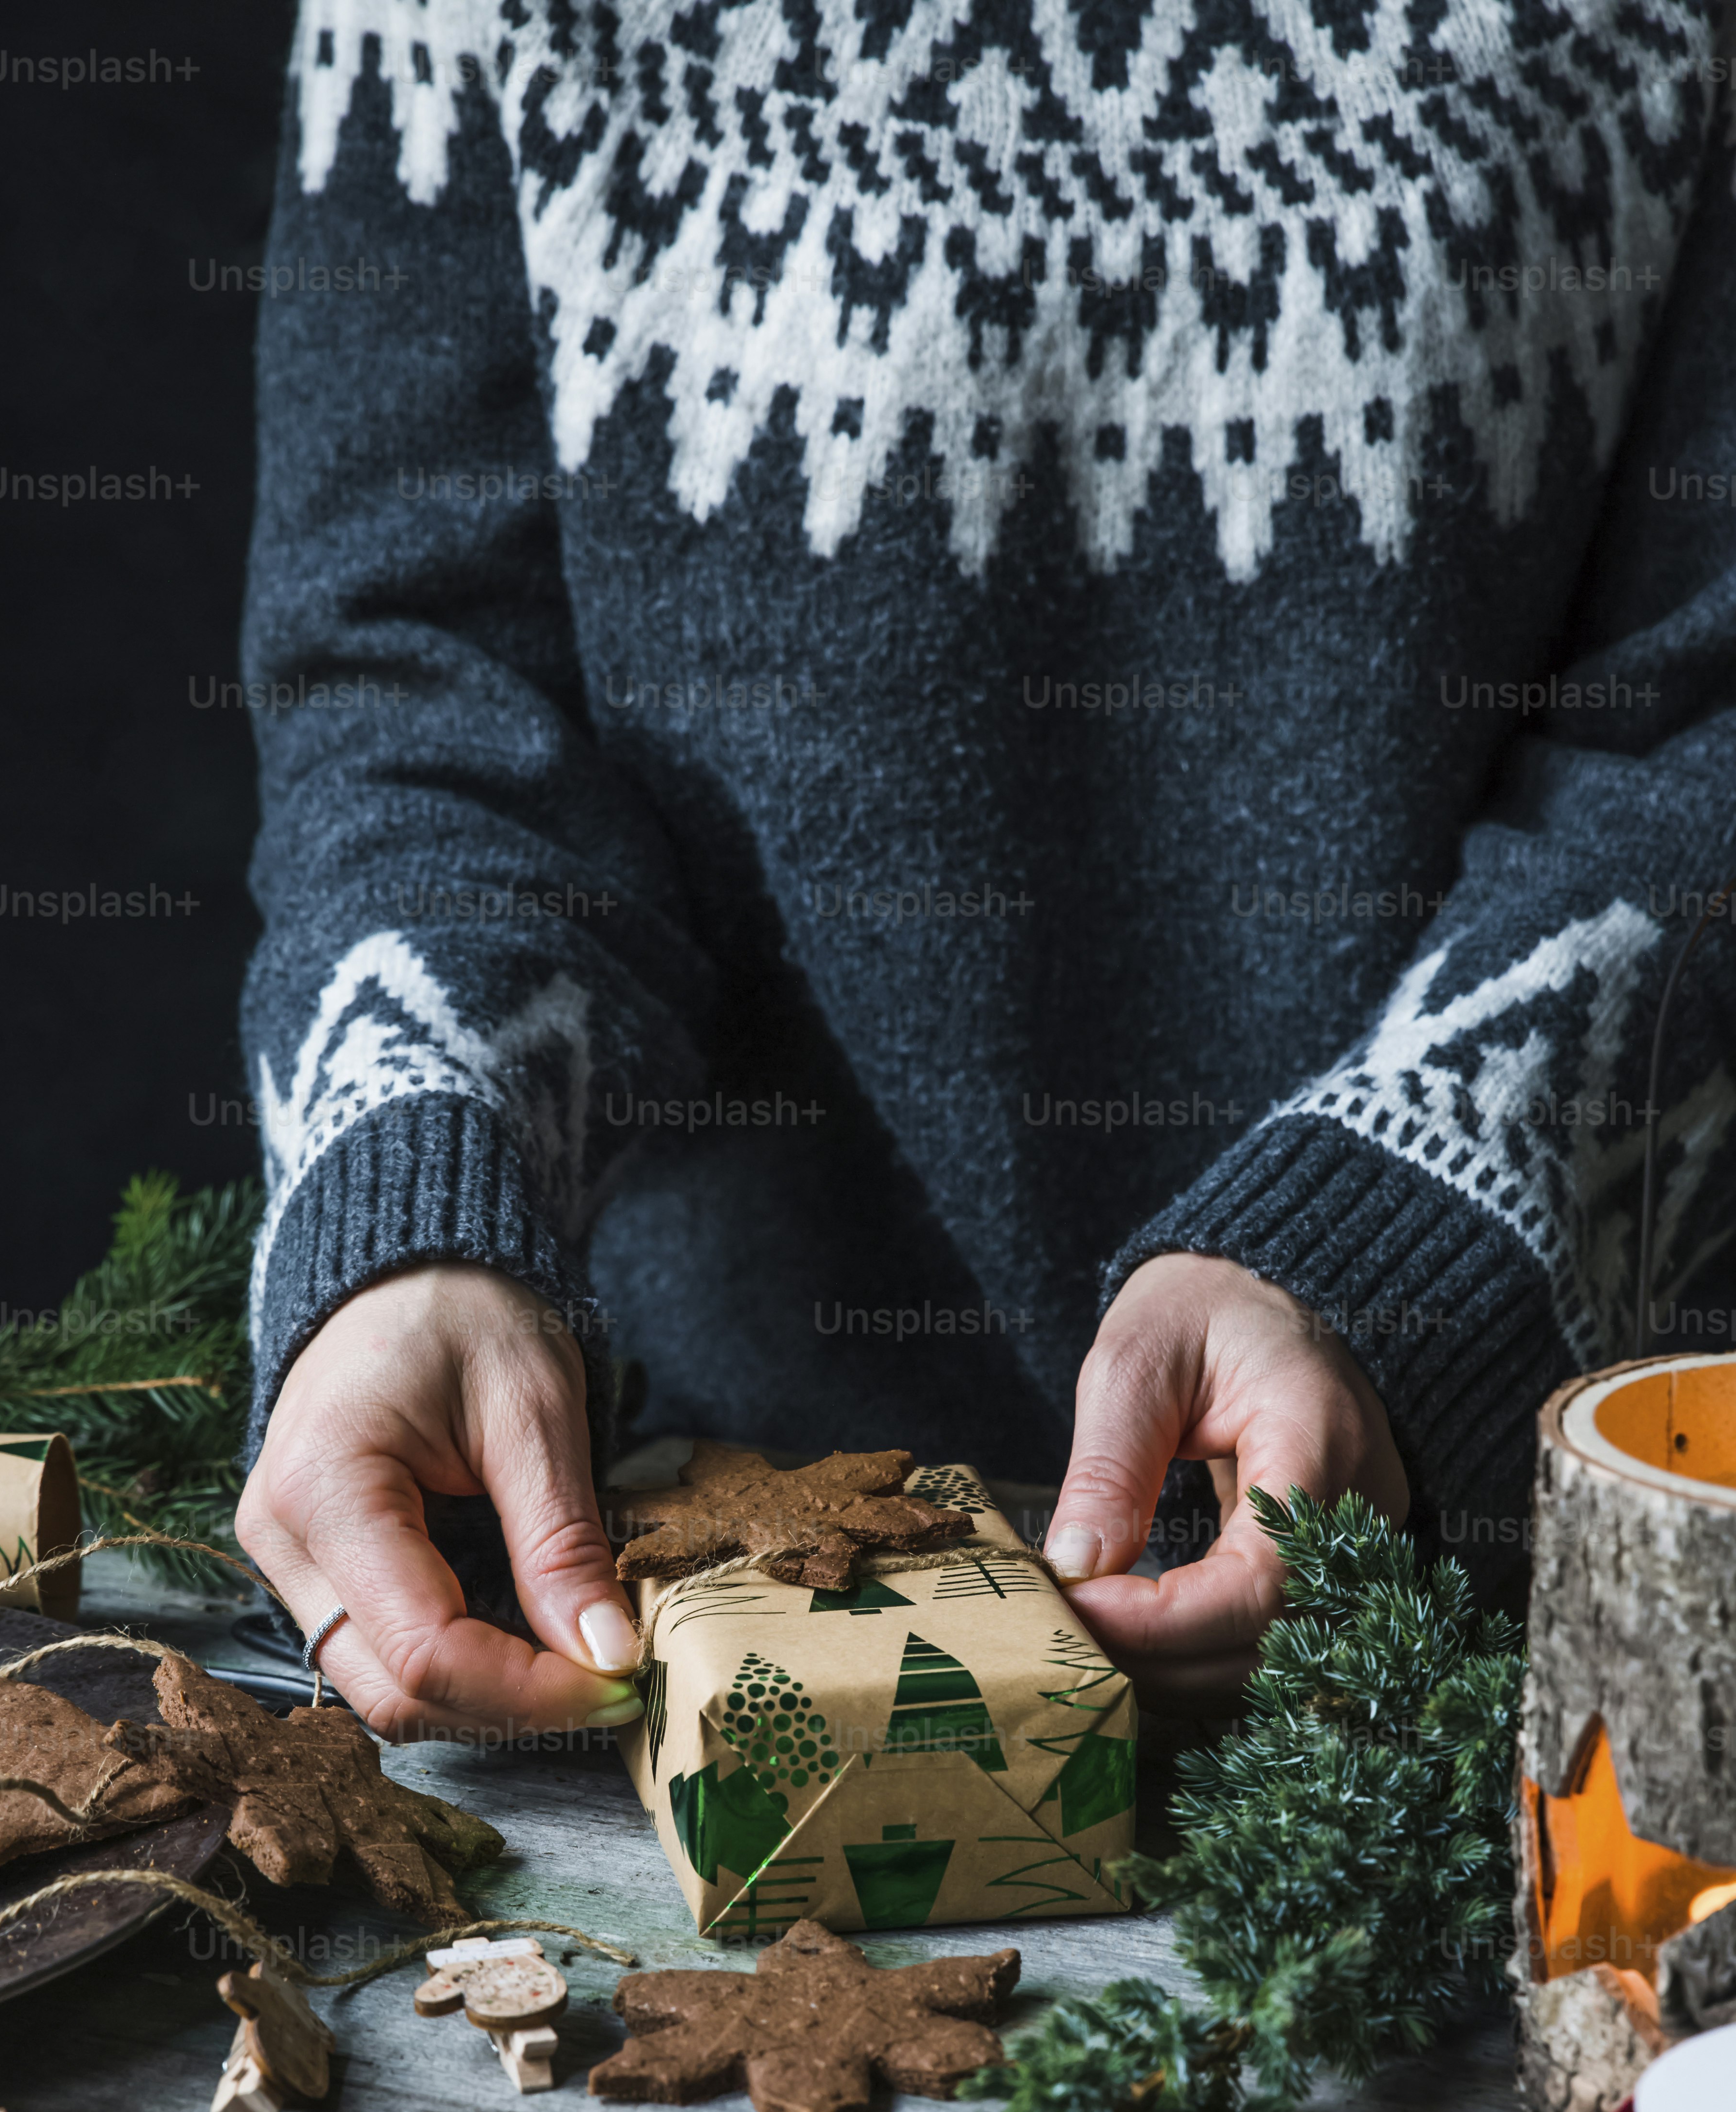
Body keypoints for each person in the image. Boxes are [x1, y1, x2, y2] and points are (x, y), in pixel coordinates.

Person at [234, 0, 1736, 1740]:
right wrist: (415, 1201)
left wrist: (1388, 1242)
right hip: (664, 1602)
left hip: (1548, 1619)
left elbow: (1705, 724)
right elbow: (424, 683)